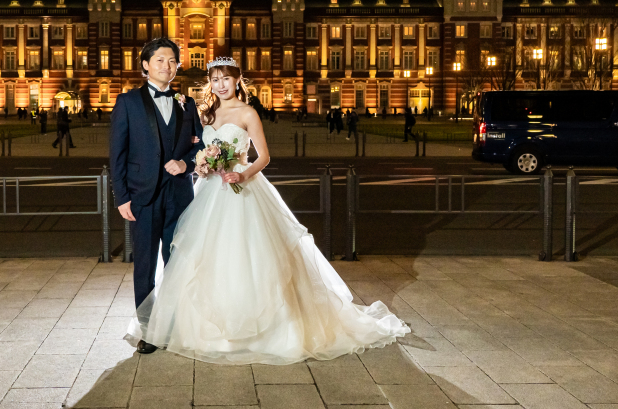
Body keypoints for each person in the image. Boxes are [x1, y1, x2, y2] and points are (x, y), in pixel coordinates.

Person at [125, 57, 409, 365]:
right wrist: (202, 164)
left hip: (242, 190)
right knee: (204, 257)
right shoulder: (205, 113)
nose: (221, 85)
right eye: (215, 80)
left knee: (249, 256)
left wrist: (242, 174)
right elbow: (196, 149)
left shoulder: (248, 113)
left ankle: (263, 329)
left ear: (237, 80)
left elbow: (264, 157)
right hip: (209, 193)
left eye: (226, 79)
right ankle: (197, 326)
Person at [110, 37, 205, 355]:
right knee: (145, 265)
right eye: (161, 60)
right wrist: (121, 197)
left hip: (179, 196)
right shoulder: (127, 103)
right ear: (145, 65)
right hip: (142, 197)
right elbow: (118, 154)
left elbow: (201, 146)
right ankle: (149, 331)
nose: (168, 66)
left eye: (173, 61)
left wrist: (187, 162)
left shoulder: (186, 103)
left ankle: (175, 325)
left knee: (178, 264)